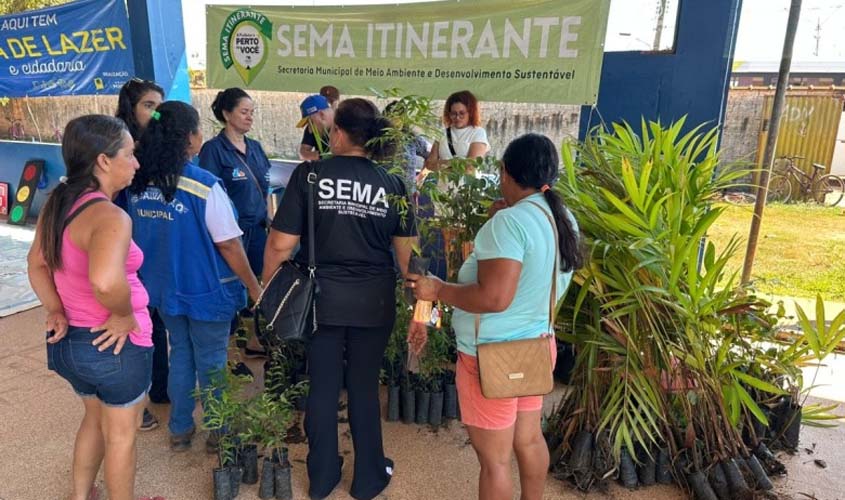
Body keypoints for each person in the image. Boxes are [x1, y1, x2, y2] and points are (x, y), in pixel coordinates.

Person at [406, 133, 582, 500]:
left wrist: (438, 290)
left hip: (492, 357)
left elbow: (494, 297)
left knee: (496, 461)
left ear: (504, 172)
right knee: (529, 440)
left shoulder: (509, 224)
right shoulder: (561, 217)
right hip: (534, 348)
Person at [263, 98, 417, 500]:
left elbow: (281, 243)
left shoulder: (310, 176)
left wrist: (266, 288)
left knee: (324, 385)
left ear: (338, 133)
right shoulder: (394, 184)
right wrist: (423, 312)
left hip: (322, 302)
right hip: (375, 301)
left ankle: (323, 477)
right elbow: (407, 258)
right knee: (365, 388)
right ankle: (368, 479)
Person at [27, 115, 152, 500]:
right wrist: (124, 314)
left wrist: (55, 309)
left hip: (69, 346)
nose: (136, 164)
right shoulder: (110, 217)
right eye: (130, 155)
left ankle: (81, 496)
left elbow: (35, 264)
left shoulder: (58, 204)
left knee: (94, 419)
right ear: (103, 160)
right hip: (113, 348)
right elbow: (105, 281)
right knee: (121, 436)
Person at [126, 101, 262, 452]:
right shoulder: (204, 186)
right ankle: (218, 430)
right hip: (207, 293)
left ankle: (180, 428)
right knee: (213, 362)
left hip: (164, 291)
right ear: (188, 137)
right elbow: (230, 247)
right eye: (198, 128)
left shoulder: (139, 185)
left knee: (181, 354)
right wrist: (254, 286)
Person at [199, 88, 272, 358]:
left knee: (259, 287)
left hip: (258, 230)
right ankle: (229, 356)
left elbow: (264, 184)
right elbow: (209, 193)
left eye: (252, 112)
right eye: (244, 112)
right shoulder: (214, 151)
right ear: (227, 114)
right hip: (230, 235)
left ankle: (255, 340)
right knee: (232, 292)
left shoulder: (255, 148)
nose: (249, 117)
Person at [115, 77, 168, 431]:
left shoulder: (158, 146)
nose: (155, 113)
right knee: (135, 324)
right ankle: (137, 399)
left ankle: (160, 389)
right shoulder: (116, 142)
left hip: (153, 246)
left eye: (158, 106)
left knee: (157, 322)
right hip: (123, 245)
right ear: (130, 108)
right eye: (148, 105)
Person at [423, 90, 489, 171]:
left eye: (462, 113)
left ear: (471, 112)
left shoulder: (478, 132)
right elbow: (430, 164)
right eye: (453, 113)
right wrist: (454, 162)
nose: (457, 117)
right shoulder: (442, 133)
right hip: (442, 183)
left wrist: (441, 165)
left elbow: (471, 167)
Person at [383, 100, 431, 193]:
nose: (396, 120)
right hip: (383, 192)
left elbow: (432, 155)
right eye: (392, 116)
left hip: (407, 193)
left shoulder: (411, 139)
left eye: (400, 117)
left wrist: (420, 178)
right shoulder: (379, 139)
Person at [297, 94, 335, 161]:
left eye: (310, 121)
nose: (310, 130)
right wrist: (319, 156)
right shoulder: (312, 128)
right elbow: (302, 153)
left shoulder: (344, 126)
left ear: (321, 115)